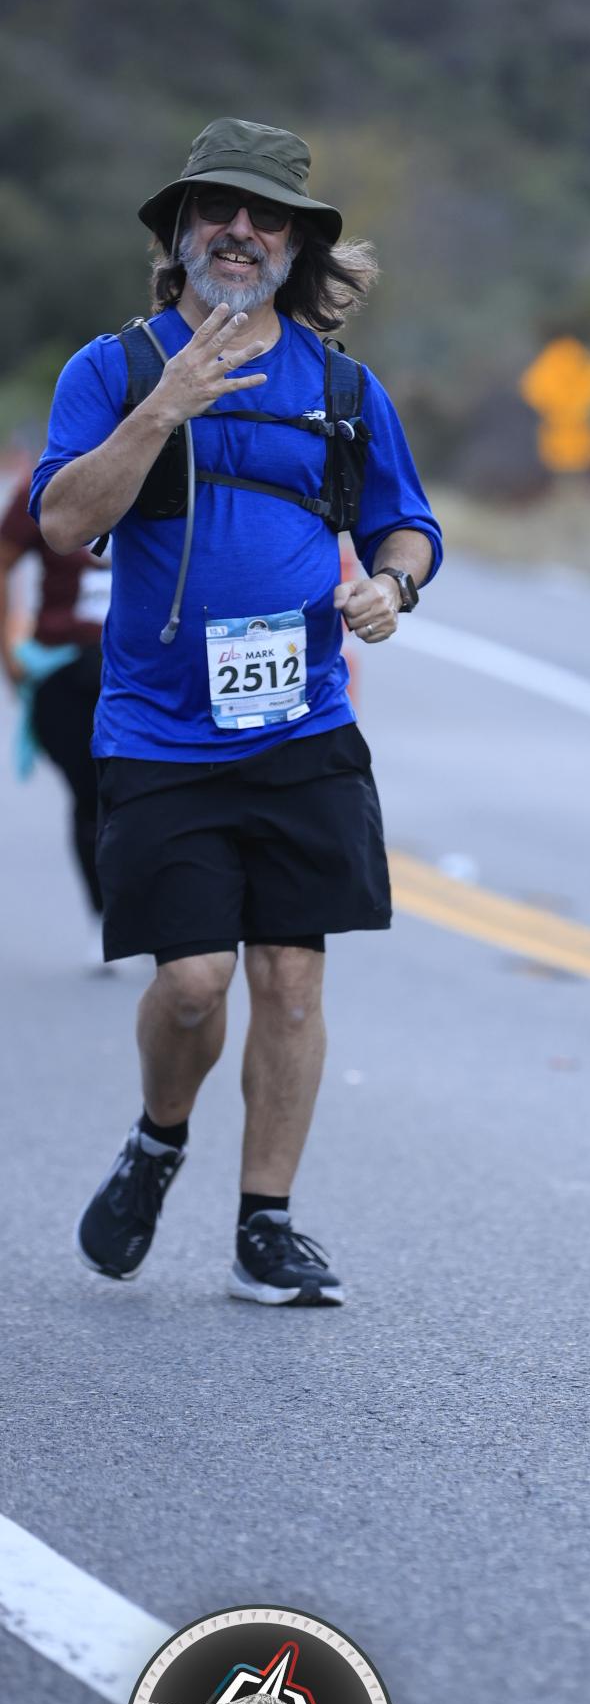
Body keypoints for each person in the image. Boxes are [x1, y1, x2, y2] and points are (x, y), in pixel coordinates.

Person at [31, 119, 443, 1308]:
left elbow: (407, 523)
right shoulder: (114, 369)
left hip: (303, 723)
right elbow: (62, 520)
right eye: (218, 208)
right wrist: (162, 407)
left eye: (268, 217)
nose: (241, 230)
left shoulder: (341, 386)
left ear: (298, 246)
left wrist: (391, 586)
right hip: (158, 730)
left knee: (293, 980)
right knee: (194, 981)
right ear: (178, 230)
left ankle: (267, 1224)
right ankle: (158, 1139)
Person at [2, 474, 111, 964]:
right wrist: (8, 650)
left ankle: (159, 912)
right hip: (68, 665)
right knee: (92, 797)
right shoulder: (46, 482)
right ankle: (102, 915)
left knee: (150, 792)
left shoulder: (174, 463)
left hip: (150, 665)